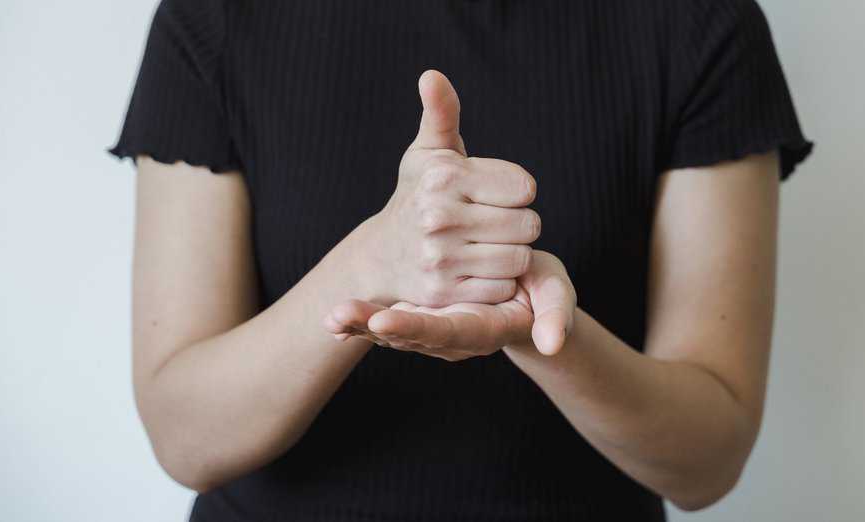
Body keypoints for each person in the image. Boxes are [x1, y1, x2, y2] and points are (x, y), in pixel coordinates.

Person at [108, 0, 813, 520]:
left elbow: (707, 460)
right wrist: (372, 266)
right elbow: (184, 436)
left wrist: (539, 332)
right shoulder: (215, 20)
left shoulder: (701, 22)